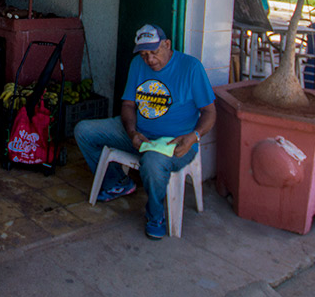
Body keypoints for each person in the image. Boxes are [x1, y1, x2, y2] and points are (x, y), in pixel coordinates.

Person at [74, 24, 215, 240]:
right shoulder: (138, 65)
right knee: (84, 131)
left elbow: (209, 113)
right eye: (144, 54)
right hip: (138, 132)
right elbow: (128, 105)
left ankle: (155, 215)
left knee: (153, 162)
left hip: (177, 141)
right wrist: (131, 132)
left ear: (167, 45)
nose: (149, 60)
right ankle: (117, 182)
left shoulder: (191, 68)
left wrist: (193, 137)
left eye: (154, 52)